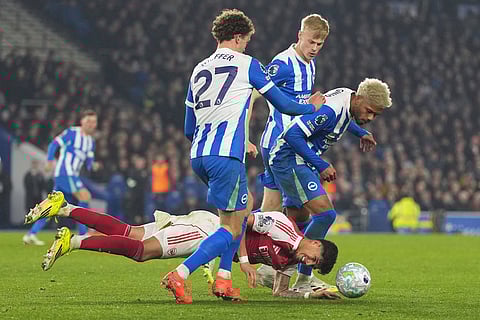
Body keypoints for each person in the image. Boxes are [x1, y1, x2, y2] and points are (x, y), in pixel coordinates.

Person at [171, 9, 325, 303]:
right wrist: (313, 108)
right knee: (230, 228)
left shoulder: (199, 68)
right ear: (239, 37)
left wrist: (238, 142)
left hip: (199, 154)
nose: (246, 46)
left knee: (242, 211)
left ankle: (224, 280)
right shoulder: (248, 64)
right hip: (225, 156)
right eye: (246, 41)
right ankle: (180, 274)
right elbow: (284, 104)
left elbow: (189, 126)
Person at [24, 191, 339, 300]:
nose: (309, 264)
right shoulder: (286, 229)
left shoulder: (291, 260)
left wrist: (310, 292)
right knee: (141, 251)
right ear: (314, 242)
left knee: (129, 232)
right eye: (314, 258)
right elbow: (241, 220)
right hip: (208, 230)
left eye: (313, 267)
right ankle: (74, 241)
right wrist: (242, 259)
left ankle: (64, 208)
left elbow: (279, 292)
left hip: (205, 232)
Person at [257, 14, 377, 291]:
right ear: (299, 35)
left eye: (320, 44)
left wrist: (359, 131)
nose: (314, 48)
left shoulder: (310, 66)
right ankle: (280, 272)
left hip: (293, 146)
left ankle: (264, 266)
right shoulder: (283, 64)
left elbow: (325, 115)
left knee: (279, 215)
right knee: (281, 213)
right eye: (311, 42)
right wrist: (303, 107)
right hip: (280, 143)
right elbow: (257, 89)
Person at [269, 78, 392, 290]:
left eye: (375, 115)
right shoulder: (331, 110)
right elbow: (292, 134)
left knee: (297, 220)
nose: (370, 118)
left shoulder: (347, 97)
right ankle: (304, 279)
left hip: (295, 160)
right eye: (369, 111)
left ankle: (274, 271)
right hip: (290, 159)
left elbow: (344, 121)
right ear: (359, 98)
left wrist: (361, 132)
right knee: (325, 215)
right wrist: (320, 164)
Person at [24, 109, 98, 239]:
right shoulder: (72, 133)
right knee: (84, 196)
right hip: (64, 174)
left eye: (94, 122)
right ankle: (83, 234)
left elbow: (89, 161)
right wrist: (49, 160)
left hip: (73, 176)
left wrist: (93, 165)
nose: (91, 124)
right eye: (88, 121)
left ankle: (31, 234)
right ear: (82, 121)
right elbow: (54, 144)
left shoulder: (90, 142)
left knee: (53, 206)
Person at [22, 159, 47, 245]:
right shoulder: (28, 175)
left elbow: (44, 186)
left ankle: (30, 234)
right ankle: (31, 234)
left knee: (40, 215)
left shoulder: (40, 175)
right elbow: (26, 185)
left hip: (38, 199)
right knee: (38, 215)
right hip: (30, 199)